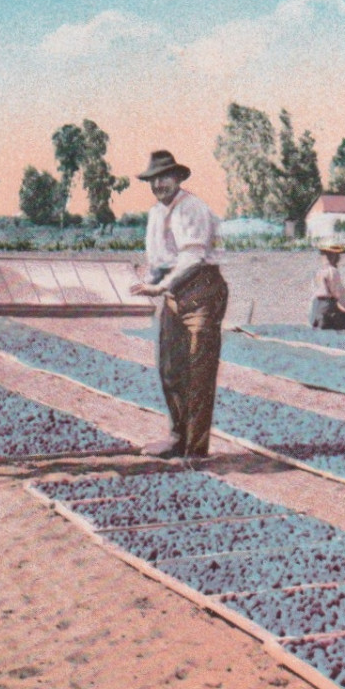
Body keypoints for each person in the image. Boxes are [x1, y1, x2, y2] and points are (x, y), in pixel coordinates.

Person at [128, 150, 227, 459]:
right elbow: (158, 261)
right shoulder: (155, 214)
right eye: (154, 179)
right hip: (172, 294)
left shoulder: (192, 208)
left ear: (178, 178)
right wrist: (144, 281)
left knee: (198, 369)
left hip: (201, 290)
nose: (159, 184)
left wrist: (159, 286)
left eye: (165, 177)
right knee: (171, 368)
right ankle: (177, 435)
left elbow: (193, 257)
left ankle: (195, 448)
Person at [310, 243, 345, 330]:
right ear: (332, 256)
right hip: (327, 311)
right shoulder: (332, 271)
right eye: (337, 255)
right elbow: (339, 293)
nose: (338, 258)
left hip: (315, 313)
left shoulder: (319, 271)